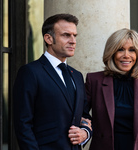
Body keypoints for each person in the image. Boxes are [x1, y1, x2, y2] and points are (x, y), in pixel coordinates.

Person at [13, 13, 92, 150]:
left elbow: (84, 116)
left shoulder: (77, 76)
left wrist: (85, 133)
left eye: (74, 35)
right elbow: (23, 124)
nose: (73, 40)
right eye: (66, 35)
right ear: (48, 38)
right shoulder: (30, 72)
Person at [85, 28, 138, 150]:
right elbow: (82, 114)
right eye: (120, 49)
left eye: (132, 50)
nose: (126, 55)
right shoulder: (95, 80)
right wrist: (85, 131)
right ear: (112, 52)